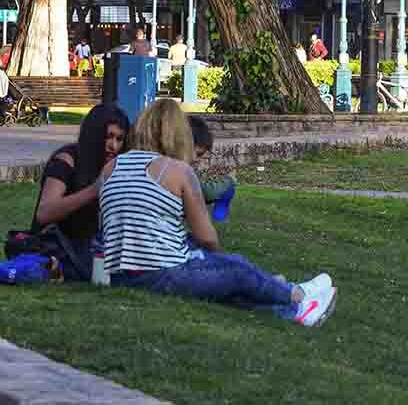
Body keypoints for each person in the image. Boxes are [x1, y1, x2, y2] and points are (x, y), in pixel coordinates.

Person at [100, 100, 337, 326]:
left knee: (229, 281)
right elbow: (207, 237)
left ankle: (291, 310)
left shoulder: (112, 167)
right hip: (163, 275)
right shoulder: (178, 171)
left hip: (120, 275)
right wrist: (215, 263)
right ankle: (298, 297)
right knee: (235, 270)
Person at [30, 104, 130, 280]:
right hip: (56, 243)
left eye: (119, 139)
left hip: (92, 245)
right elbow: (44, 213)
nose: (113, 146)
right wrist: (94, 190)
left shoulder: (116, 165)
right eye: (108, 137)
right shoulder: (67, 159)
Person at [189, 115, 237, 222]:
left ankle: (219, 216)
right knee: (228, 188)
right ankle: (219, 216)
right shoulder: (182, 169)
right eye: (198, 154)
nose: (197, 160)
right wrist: (229, 180)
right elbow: (207, 193)